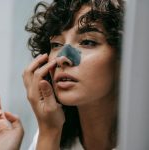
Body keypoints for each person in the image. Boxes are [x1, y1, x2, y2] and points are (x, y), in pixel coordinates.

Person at [24, 0, 124, 149]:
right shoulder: (49, 133)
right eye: (56, 44)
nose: (62, 58)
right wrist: (49, 132)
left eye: (88, 42)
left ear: (125, 58)